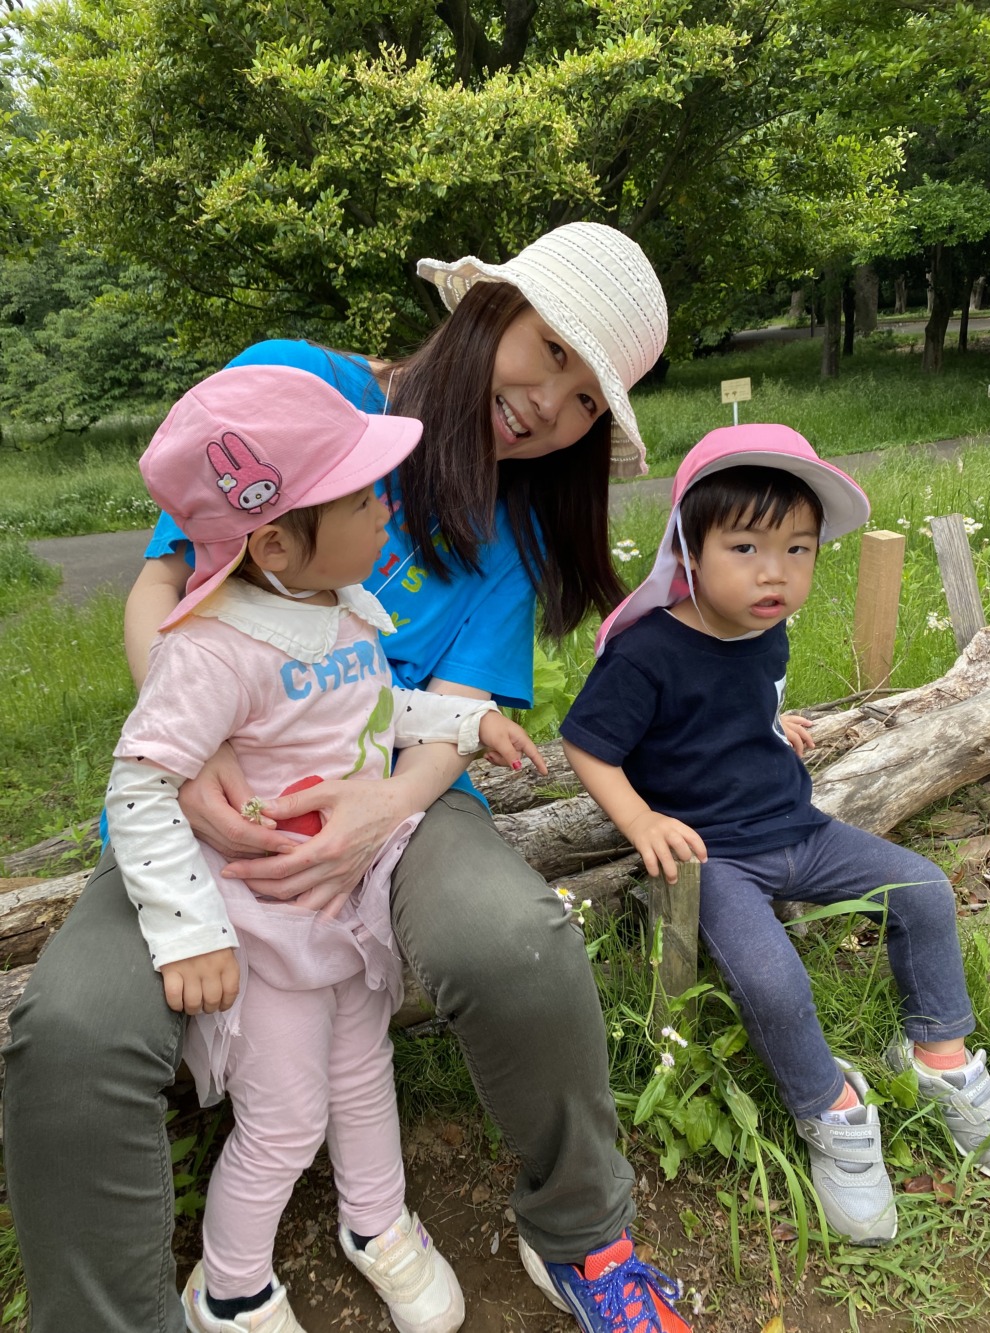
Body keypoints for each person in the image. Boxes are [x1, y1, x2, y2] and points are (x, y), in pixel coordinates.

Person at [4, 222, 693, 1333]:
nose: (548, 406)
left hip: (400, 783)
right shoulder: (296, 385)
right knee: (76, 1032)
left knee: (513, 943)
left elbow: (454, 711)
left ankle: (581, 1231)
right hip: (215, 782)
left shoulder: (512, 528)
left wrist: (384, 806)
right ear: (491, 310)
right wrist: (200, 753)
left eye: (584, 403)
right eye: (554, 352)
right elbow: (163, 587)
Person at [105, 364, 548, 1333]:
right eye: (360, 498)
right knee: (284, 1115)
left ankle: (375, 1219)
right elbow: (139, 783)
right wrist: (188, 933)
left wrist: (466, 725)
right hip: (263, 925)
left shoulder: (340, 609)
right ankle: (229, 1287)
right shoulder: (214, 649)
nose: (387, 508)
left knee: (362, 1070)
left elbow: (376, 707)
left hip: (340, 902)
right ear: (273, 541)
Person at [560, 422, 990, 1247]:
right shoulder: (648, 652)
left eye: (799, 549)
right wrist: (641, 819)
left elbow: (740, 695)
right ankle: (830, 1108)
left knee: (924, 890)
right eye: (747, 547)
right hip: (715, 853)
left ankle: (939, 1056)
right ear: (689, 548)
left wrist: (770, 720)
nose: (776, 572)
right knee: (772, 979)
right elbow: (588, 742)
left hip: (801, 827)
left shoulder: (765, 628)